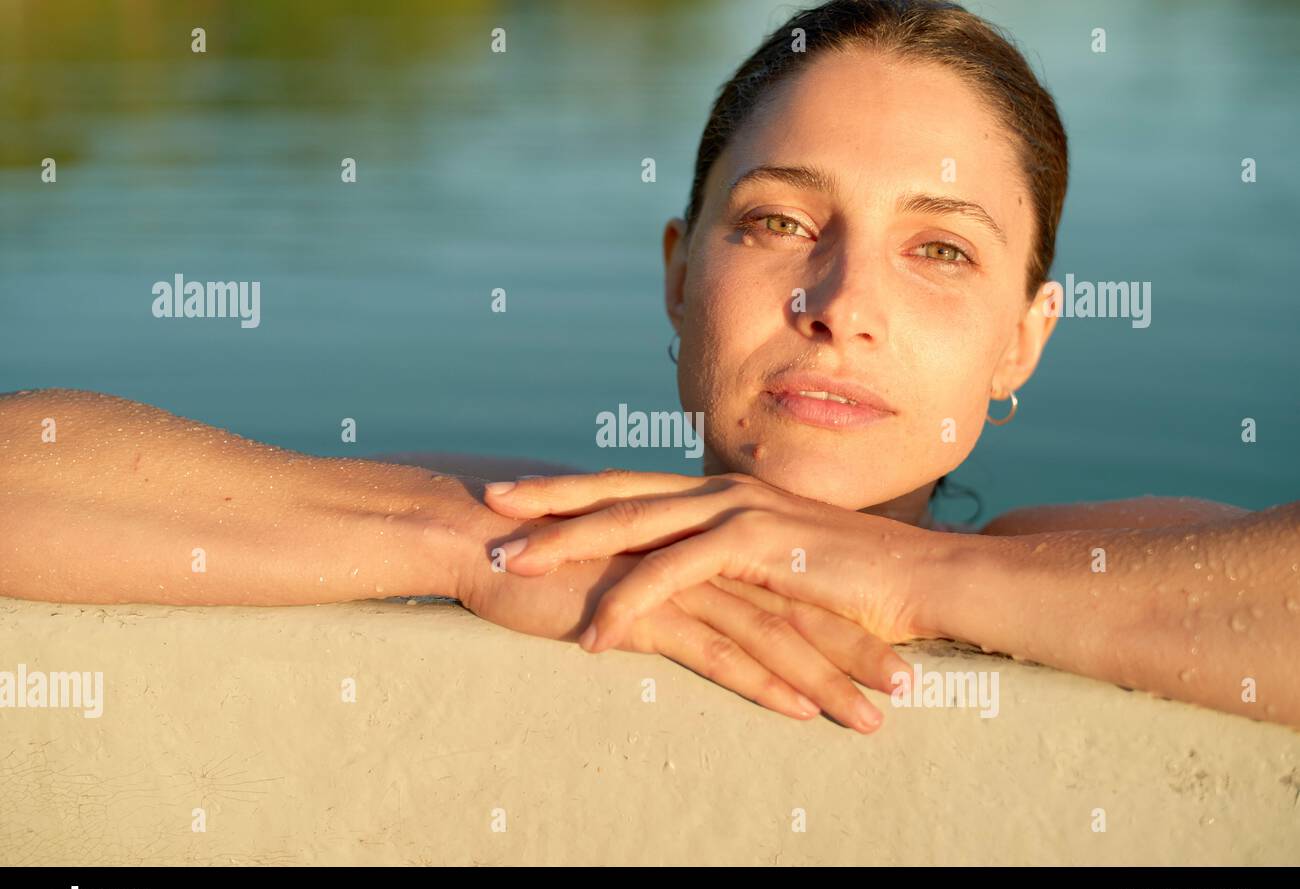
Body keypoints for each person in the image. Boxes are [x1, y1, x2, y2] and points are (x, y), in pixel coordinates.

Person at [2, 0, 1295, 732]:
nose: (842, 305)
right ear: (680, 273)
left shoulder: (1064, 560)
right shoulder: (545, 527)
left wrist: (905, 573)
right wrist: (467, 549)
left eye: (941, 251)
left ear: (1027, 336)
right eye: (781, 222)